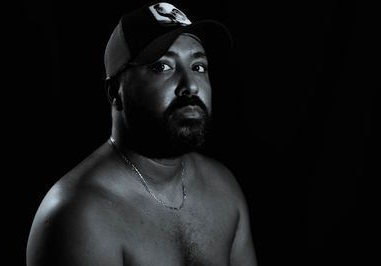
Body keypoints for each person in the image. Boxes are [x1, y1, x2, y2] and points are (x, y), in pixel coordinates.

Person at [26, 2, 257, 265]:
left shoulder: (223, 187)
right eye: (162, 67)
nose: (190, 85)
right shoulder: (79, 215)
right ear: (115, 93)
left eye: (199, 67)